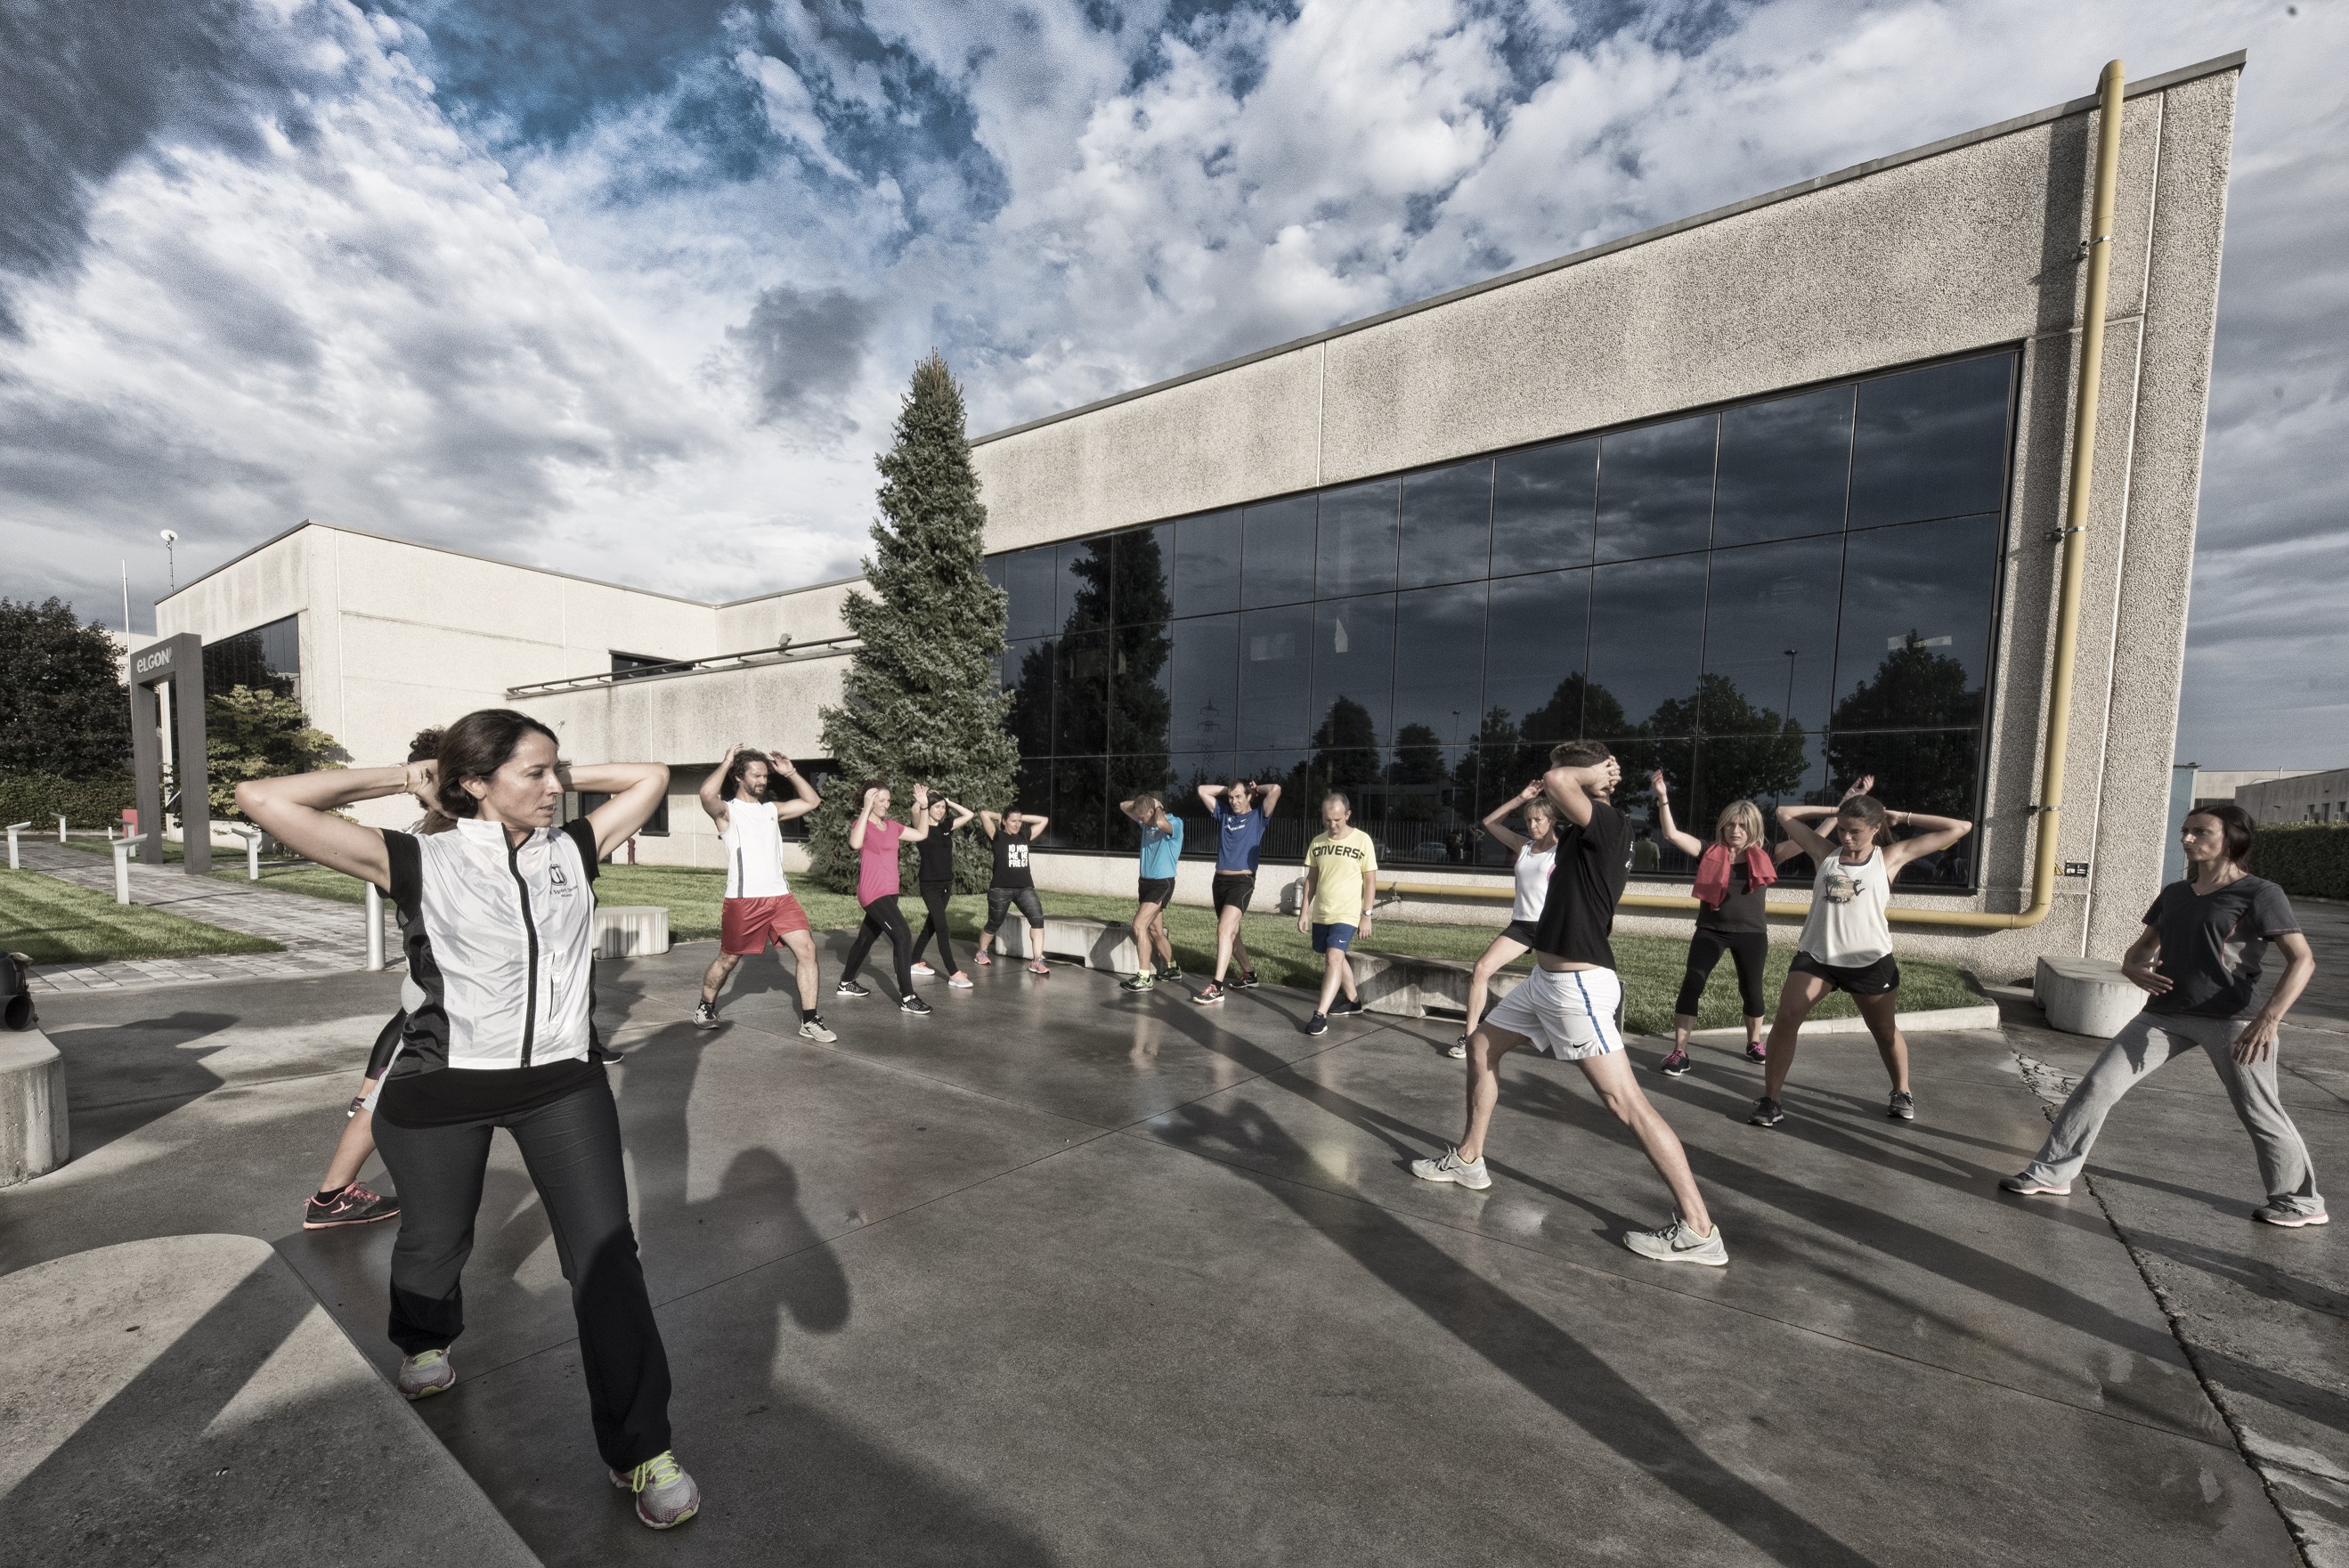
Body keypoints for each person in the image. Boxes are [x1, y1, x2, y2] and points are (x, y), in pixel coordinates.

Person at [238, 710, 700, 1529]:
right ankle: (423, 1337)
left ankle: (641, 1447)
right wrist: (407, 777)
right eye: (534, 774)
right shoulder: (417, 856)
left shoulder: (573, 848)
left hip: (560, 1082)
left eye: (557, 770)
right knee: (435, 1236)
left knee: (607, 1258)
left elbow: (652, 777)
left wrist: (551, 771)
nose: (556, 788)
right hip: (440, 1084)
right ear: (475, 783)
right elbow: (262, 796)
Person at [1410, 743, 1727, 1267]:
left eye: (1591, 774)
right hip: (1545, 981)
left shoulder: (1608, 823)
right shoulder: (1584, 831)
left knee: (1626, 1104)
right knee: (1483, 1045)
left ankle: (1698, 1228)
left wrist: (1591, 773)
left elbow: (1558, 780)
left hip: (1577, 985)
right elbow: (1556, 789)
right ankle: (1469, 1159)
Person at [2004, 804, 2325, 1225]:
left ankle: (2301, 1203)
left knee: (2260, 1111)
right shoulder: (2175, 893)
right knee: (2098, 1085)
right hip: (2164, 1015)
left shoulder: (2260, 894)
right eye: (2185, 831)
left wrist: (2269, 1020)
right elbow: (2141, 948)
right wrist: (2131, 966)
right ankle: (2052, 1174)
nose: (2187, 839)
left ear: (2232, 839)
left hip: (2234, 1021)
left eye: (2201, 832)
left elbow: (2303, 960)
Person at [1748, 779, 1973, 1127]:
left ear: (1875, 829)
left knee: (1883, 1031)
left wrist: (1902, 815)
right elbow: (1785, 812)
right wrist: (1839, 809)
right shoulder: (1825, 852)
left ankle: (1901, 1090)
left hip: (1869, 961)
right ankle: (1771, 1099)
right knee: (1787, 1017)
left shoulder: (1891, 857)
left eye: (1854, 831)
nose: (1846, 837)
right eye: (1842, 830)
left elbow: (1960, 827)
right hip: (1817, 957)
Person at [305, 725, 449, 1230]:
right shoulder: (433, 837)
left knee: (386, 1091)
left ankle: (335, 1192)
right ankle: (331, 1197)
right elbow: (271, 799)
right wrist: (406, 779)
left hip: (435, 994)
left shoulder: (443, 829)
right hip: (437, 998)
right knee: (387, 1096)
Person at [1649, 771, 1809, 1075]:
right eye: (1731, 824)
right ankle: (1679, 1052)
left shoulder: (1768, 854)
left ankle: (1754, 1042)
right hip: (1710, 931)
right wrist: (1662, 797)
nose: (1735, 830)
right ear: (1723, 825)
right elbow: (1671, 834)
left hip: (1751, 934)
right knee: (1692, 983)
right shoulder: (1707, 850)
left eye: (1742, 825)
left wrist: (1841, 807)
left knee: (1752, 990)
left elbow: (1806, 840)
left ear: (1753, 829)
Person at [691, 743, 834, 1040]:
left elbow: (812, 800)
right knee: (728, 959)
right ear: (739, 778)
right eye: (756, 775)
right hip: (744, 900)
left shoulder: (771, 810)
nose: (763, 781)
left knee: (807, 949)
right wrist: (727, 760)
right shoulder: (727, 812)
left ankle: (810, 1019)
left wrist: (792, 772)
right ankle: (706, 1007)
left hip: (781, 897)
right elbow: (706, 794)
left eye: (765, 776)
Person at [1448, 780, 1559, 1060]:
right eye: (1529, 820)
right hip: (1522, 925)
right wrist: (1521, 797)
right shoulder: (1524, 845)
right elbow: (1489, 822)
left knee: (1561, 984)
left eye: (1539, 820)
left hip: (1551, 927)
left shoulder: (1563, 850)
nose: (1533, 825)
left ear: (1552, 821)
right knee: (1481, 969)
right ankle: (1471, 1037)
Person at [839, 782, 931, 1014]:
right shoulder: (861, 826)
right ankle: (908, 996)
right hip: (872, 892)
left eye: (888, 800)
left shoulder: (892, 826)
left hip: (891, 892)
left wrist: (923, 808)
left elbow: (921, 834)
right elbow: (855, 843)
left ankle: (846, 982)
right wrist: (865, 809)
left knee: (865, 939)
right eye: (881, 800)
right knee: (902, 935)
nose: (886, 804)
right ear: (869, 800)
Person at [1191, 777, 1281, 1004]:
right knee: (1232, 934)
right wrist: (1228, 790)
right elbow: (1202, 790)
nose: (1234, 801)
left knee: (1223, 929)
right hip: (1219, 881)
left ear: (1249, 796)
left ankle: (1216, 987)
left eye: (1239, 796)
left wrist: (1255, 788)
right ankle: (1249, 975)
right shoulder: (1224, 814)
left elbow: (1277, 789)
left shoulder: (1258, 817)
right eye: (1231, 797)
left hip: (1242, 881)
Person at [1296, 792, 1379, 1035]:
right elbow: (1311, 880)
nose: (1332, 825)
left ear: (1348, 815)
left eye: (1337, 820)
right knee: (1334, 955)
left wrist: (1367, 915)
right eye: (1327, 820)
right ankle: (1353, 1001)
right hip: (1323, 912)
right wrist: (1304, 912)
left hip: (1348, 913)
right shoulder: (1318, 842)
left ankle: (1320, 1015)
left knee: (1333, 956)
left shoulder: (1362, 841)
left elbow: (1371, 882)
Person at [1117, 792, 1185, 990]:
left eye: (1142, 816)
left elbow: (1162, 824)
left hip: (1162, 883)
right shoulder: (1145, 822)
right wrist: (1146, 804)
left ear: (1152, 811)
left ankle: (1144, 977)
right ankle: (1173, 968)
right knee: (1155, 930)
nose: (1139, 820)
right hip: (1145, 883)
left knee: (1139, 925)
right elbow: (1123, 805)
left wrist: (1158, 809)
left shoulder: (1175, 823)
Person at [973, 806, 1052, 977]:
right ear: (1003, 821)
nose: (1017, 825)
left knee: (1037, 919)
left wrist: (1021, 816)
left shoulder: (1025, 835)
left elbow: (1043, 820)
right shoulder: (997, 836)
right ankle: (981, 952)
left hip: (1024, 888)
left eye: (1019, 821)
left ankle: (1037, 959)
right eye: (1013, 821)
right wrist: (1001, 816)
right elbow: (984, 814)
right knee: (994, 923)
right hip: (1000, 888)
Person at [909, 792, 978, 988]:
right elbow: (915, 810)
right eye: (937, 807)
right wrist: (922, 800)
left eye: (943, 808)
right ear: (928, 808)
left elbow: (969, 815)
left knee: (931, 926)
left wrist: (949, 802)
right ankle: (953, 973)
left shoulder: (946, 827)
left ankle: (913, 961)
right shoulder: (921, 827)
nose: (941, 811)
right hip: (929, 884)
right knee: (942, 927)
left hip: (946, 885)